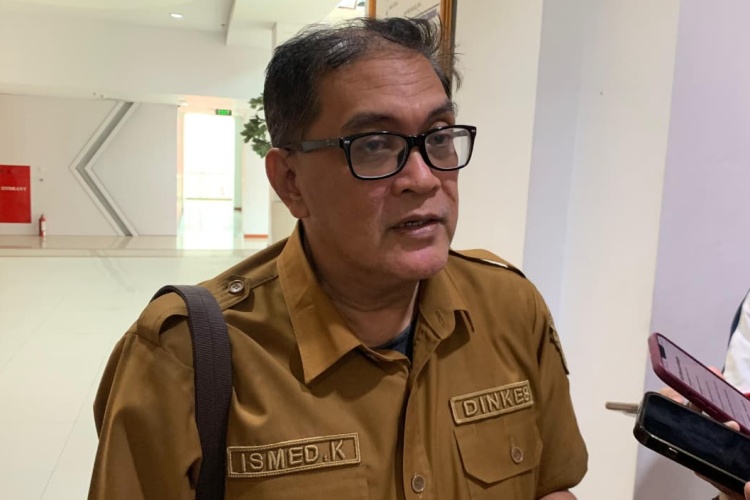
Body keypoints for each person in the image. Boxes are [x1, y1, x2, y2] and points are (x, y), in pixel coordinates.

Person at [88, 17, 588, 499]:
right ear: (291, 182)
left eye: (438, 137)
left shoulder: (511, 308)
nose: (423, 178)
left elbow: (551, 486)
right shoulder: (183, 356)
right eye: (374, 145)